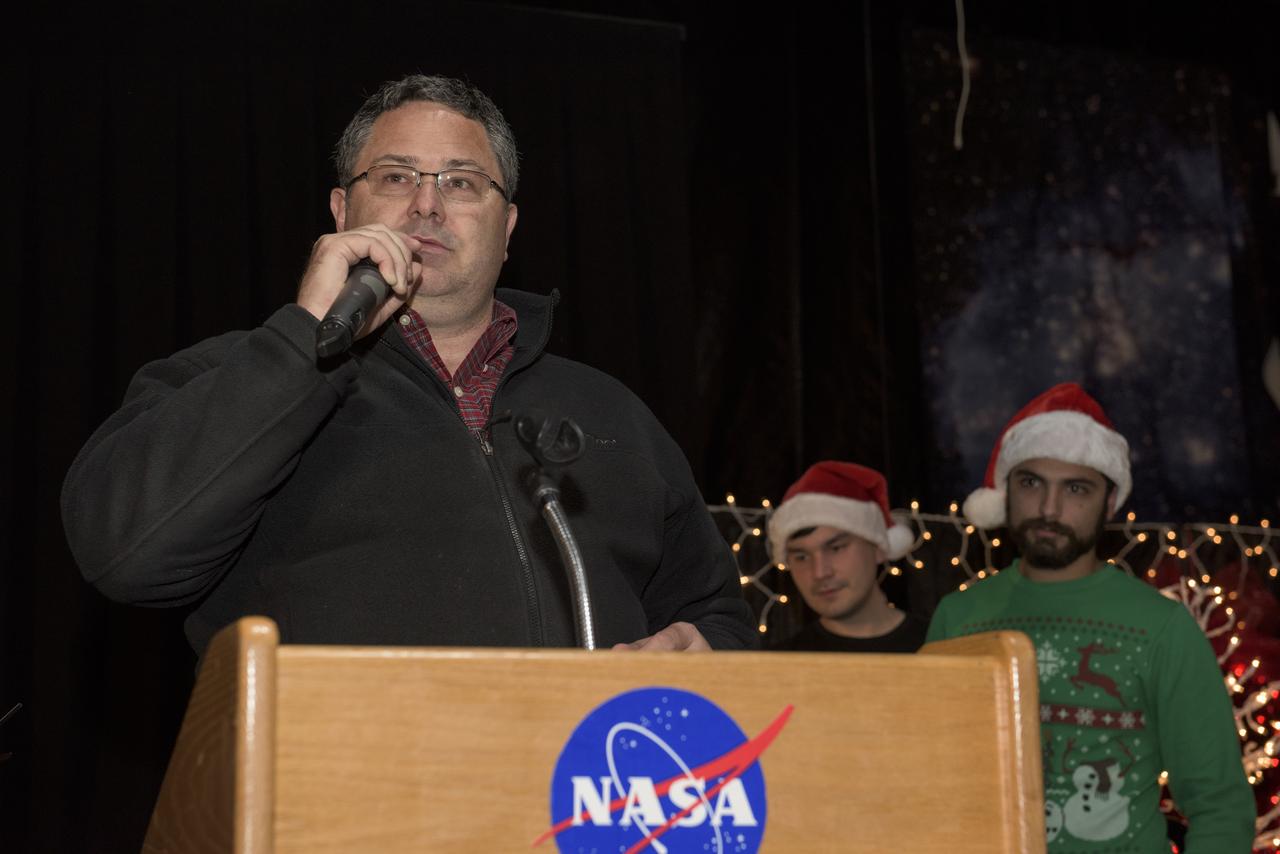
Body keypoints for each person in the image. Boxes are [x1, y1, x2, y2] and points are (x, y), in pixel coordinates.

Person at [60, 74, 756, 655]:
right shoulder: (236, 378)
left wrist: (704, 650)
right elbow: (126, 555)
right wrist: (304, 345)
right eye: (396, 177)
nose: (427, 203)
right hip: (340, 802)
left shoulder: (611, 412)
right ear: (341, 211)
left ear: (507, 226)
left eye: (461, 182)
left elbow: (718, 616)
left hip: (579, 802)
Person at [927, 382, 1254, 852]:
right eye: (1031, 482)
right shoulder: (957, 618)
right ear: (1006, 491)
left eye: (1076, 488)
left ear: (1109, 502)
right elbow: (927, 783)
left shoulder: (1161, 627)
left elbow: (1219, 805)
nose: (1049, 508)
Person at [766, 461, 927, 652]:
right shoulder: (776, 667)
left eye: (836, 548)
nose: (820, 572)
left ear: (878, 548)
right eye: (801, 557)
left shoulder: (943, 650)